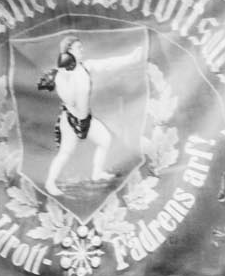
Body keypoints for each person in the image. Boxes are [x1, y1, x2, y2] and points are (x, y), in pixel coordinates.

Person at [39, 33, 146, 196]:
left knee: (105, 140)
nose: (82, 50)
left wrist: (132, 58)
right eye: (78, 48)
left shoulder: (86, 66)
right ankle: (50, 183)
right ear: (68, 51)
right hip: (70, 121)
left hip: (86, 118)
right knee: (65, 153)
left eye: (82, 47)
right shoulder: (61, 75)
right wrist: (66, 75)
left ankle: (97, 174)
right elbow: (69, 99)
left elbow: (108, 64)